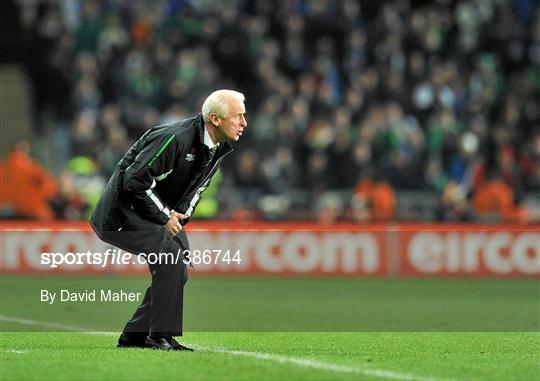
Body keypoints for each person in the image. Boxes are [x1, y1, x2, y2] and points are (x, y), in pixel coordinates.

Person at [89, 90, 247, 351]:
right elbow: (134, 180)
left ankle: (135, 336)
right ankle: (159, 337)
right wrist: (164, 216)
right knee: (171, 261)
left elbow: (195, 191)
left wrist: (179, 216)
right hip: (119, 213)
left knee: (176, 268)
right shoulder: (175, 138)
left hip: (147, 213)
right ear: (216, 119)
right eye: (238, 116)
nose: (244, 123)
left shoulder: (216, 147)